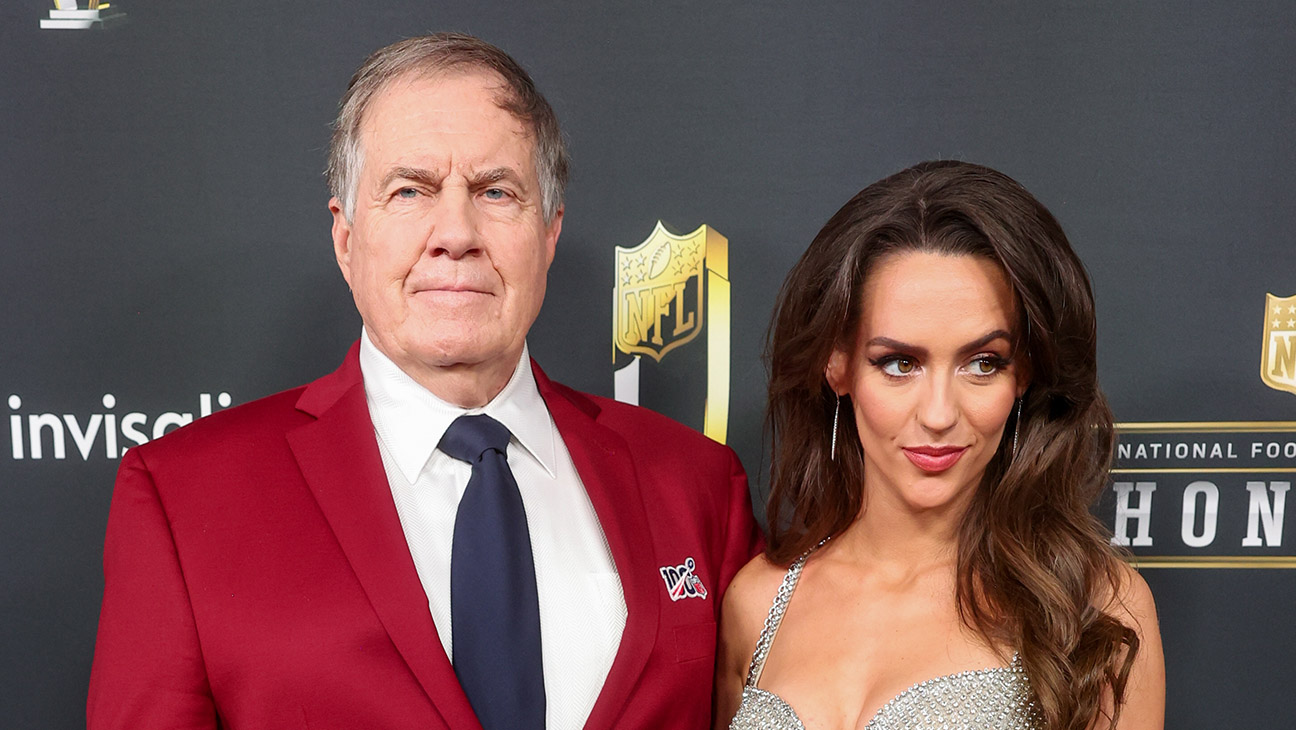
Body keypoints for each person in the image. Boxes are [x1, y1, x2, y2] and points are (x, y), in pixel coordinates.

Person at [87, 33, 759, 730]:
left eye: (496, 192)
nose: (455, 233)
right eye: (409, 191)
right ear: (346, 238)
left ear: (549, 233)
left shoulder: (699, 485)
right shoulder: (182, 498)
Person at [715, 161, 1164, 729]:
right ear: (838, 365)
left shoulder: (1095, 608)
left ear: (1023, 375)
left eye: (983, 363)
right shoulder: (756, 603)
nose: (938, 415)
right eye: (899, 363)